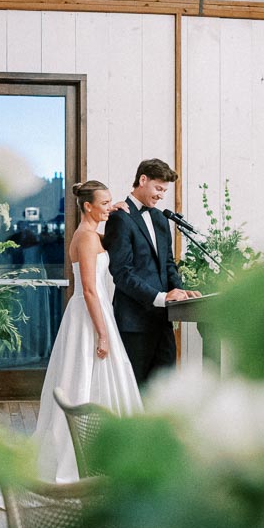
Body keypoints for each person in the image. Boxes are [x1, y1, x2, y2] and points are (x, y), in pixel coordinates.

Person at [33, 181, 142, 482]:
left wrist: (118, 208)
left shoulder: (91, 235)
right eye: (104, 203)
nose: (109, 206)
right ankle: (82, 459)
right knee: (82, 379)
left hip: (93, 310)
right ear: (87, 206)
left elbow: (112, 241)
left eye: (110, 201)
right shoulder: (85, 238)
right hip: (89, 313)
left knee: (100, 378)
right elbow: (91, 291)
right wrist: (103, 334)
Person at [103, 159, 199, 387]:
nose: (161, 196)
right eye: (158, 188)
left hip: (163, 321)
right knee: (135, 390)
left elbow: (167, 264)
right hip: (134, 323)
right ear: (142, 180)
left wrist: (180, 291)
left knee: (164, 390)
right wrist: (160, 298)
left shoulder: (159, 218)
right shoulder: (119, 218)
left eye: (165, 191)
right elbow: (121, 272)